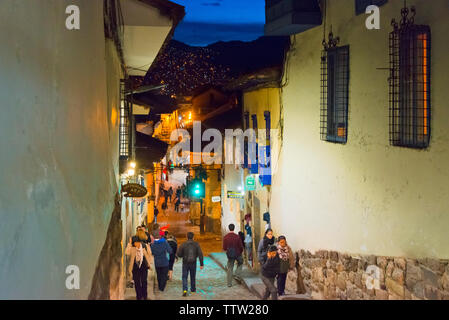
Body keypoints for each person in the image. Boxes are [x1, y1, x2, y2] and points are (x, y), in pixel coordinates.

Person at [177, 232, 204, 297]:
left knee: (184, 276)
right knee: (193, 276)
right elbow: (200, 254)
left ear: (187, 237)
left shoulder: (183, 244)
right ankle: (193, 289)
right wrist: (201, 264)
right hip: (193, 262)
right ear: (193, 237)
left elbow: (179, 254)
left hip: (185, 263)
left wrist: (182, 255)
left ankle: (185, 290)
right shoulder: (196, 244)